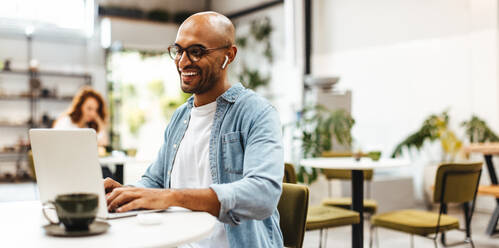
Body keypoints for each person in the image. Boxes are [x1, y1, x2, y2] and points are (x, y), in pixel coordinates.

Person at [104, 11, 284, 247]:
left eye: (196, 52)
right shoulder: (181, 117)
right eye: (179, 50)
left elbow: (263, 195)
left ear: (228, 55)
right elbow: (155, 181)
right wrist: (126, 193)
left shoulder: (257, 113)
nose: (183, 62)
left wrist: (171, 197)